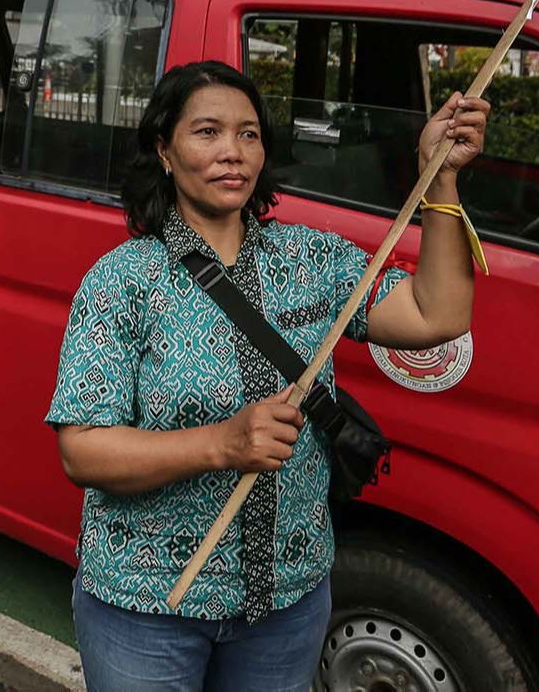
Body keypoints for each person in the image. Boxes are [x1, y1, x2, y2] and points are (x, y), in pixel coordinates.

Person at [47, 60, 489, 691]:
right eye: (207, 132)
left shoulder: (316, 259)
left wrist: (439, 178)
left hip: (288, 600)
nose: (233, 152)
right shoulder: (122, 281)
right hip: (147, 605)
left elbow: (435, 314)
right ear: (163, 151)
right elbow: (82, 450)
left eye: (249, 134)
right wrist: (221, 444)